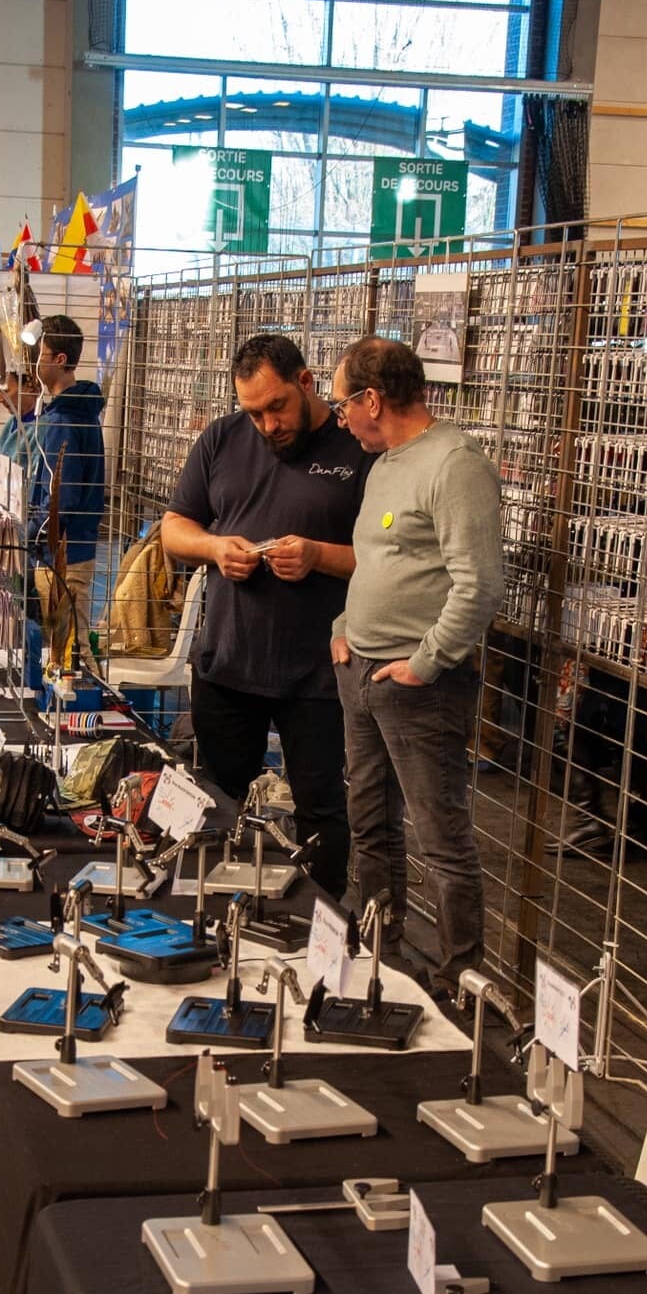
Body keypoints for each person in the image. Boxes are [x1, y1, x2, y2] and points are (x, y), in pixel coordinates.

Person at [160, 332, 370, 899]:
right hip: (229, 663)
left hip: (319, 673)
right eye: (254, 413)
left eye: (277, 407)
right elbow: (174, 528)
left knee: (322, 811)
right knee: (216, 803)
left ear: (306, 382)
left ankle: (321, 927)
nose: (268, 425)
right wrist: (214, 548)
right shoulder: (222, 438)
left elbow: (386, 560)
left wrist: (317, 556)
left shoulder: (357, 448)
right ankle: (212, 916)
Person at [329, 335, 504, 993]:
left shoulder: (454, 465)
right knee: (369, 823)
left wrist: (425, 663)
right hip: (361, 672)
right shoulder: (384, 463)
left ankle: (460, 980)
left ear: (373, 399)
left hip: (418, 688)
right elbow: (378, 559)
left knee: (441, 836)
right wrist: (345, 628)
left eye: (344, 403)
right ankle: (381, 953)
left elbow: (480, 585)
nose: (340, 418)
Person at [28, 315, 106, 671]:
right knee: (66, 650)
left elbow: (64, 497)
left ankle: (93, 704)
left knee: (73, 653)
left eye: (40, 354)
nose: (35, 362)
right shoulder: (76, 412)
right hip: (68, 549)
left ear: (60, 359)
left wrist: (32, 532)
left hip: (63, 555)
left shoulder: (65, 420)